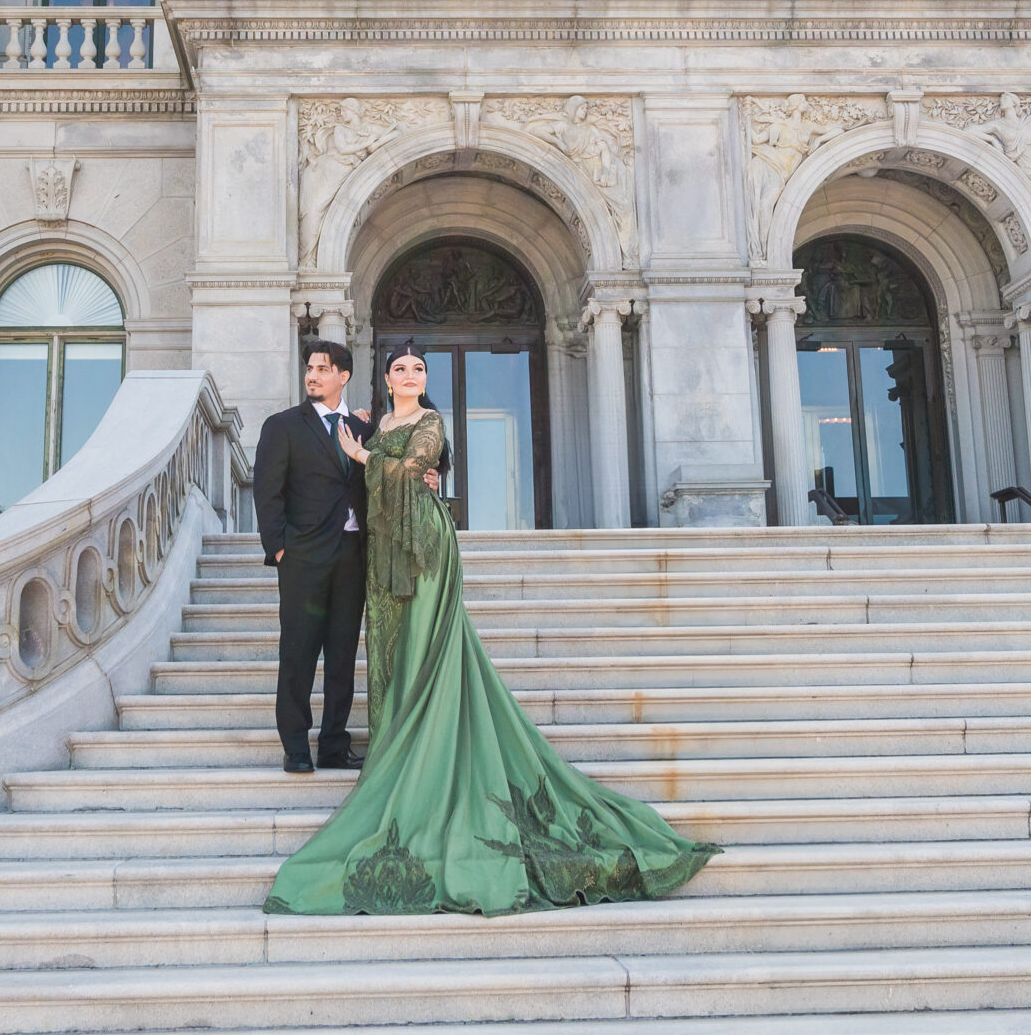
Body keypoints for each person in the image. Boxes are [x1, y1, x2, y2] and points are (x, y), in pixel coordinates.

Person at [264, 345, 719, 916]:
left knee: (429, 649)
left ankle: (418, 746)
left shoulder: (422, 421)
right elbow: (327, 480)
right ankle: (368, 740)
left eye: (419, 369)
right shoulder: (367, 422)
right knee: (381, 652)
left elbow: (414, 466)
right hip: (374, 556)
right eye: (400, 368)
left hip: (422, 551)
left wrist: (366, 458)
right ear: (383, 379)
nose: (409, 375)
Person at [251, 341, 373, 775]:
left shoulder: (364, 430)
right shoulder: (282, 426)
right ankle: (296, 746)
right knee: (299, 652)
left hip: (352, 556)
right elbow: (267, 491)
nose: (313, 375)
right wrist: (279, 547)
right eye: (309, 368)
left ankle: (334, 744)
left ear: (344, 376)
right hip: (302, 556)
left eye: (323, 368)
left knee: (342, 653)